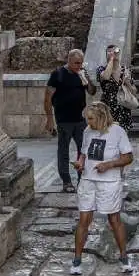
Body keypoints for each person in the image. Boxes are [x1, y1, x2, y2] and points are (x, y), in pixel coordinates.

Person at [70, 102, 134, 276]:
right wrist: (80, 163)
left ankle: (124, 257)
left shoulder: (118, 132)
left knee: (114, 219)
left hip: (109, 181)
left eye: (91, 119)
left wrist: (109, 164)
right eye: (87, 119)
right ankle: (77, 259)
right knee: (84, 219)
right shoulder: (87, 131)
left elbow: (128, 157)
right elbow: (84, 153)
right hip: (88, 180)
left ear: (101, 116)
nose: (88, 122)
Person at [45, 49, 97, 193]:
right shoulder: (58, 74)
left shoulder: (81, 73)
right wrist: (49, 119)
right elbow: (48, 97)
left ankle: (82, 179)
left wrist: (86, 79)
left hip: (80, 119)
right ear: (69, 61)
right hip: (63, 120)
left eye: (80, 63)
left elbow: (92, 91)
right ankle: (66, 181)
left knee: (84, 149)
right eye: (76, 63)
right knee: (63, 151)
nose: (78, 66)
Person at [97, 45, 136, 134]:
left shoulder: (126, 70)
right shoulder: (101, 69)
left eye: (115, 51)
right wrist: (111, 60)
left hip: (123, 110)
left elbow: (134, 92)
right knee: (108, 138)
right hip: (108, 109)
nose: (113, 53)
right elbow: (106, 76)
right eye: (109, 52)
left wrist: (127, 82)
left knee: (122, 139)